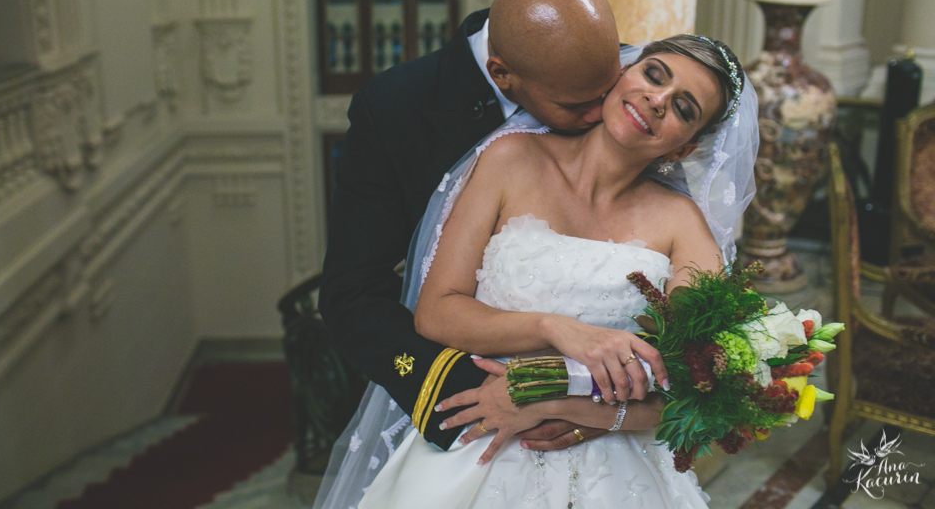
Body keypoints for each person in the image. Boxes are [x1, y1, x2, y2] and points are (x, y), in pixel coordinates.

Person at [318, 35, 759, 508]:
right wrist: (557, 329)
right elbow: (436, 313)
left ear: (684, 147)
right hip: (478, 438)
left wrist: (560, 406)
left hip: (613, 468)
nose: (657, 100)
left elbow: (694, 381)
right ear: (621, 75)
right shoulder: (509, 160)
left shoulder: (682, 225)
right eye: (654, 75)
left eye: (683, 108)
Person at [318, 0, 641, 460]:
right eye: (575, 105)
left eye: (607, 92)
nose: (602, 117)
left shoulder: (612, 73)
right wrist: (472, 395)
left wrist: (595, 410)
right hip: (473, 398)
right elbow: (351, 295)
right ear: (501, 74)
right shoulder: (395, 108)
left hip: (604, 413)